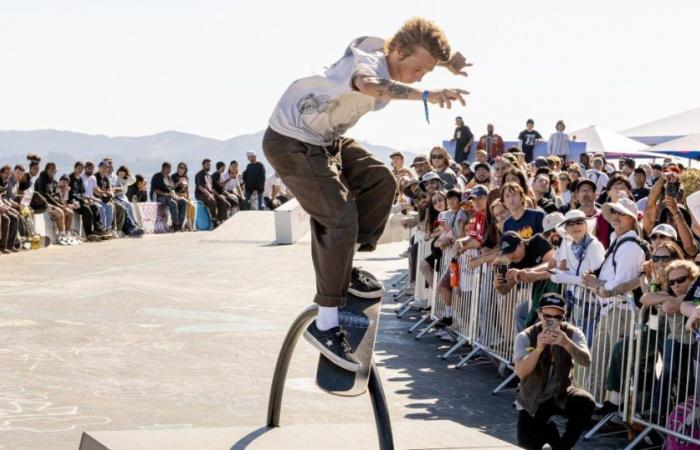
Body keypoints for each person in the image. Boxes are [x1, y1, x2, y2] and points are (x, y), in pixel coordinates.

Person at [263, 17, 470, 370]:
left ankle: (344, 265)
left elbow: (420, 46)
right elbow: (370, 85)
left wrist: (448, 63)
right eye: (418, 68)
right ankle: (326, 324)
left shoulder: (387, 46)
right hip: (291, 143)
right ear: (400, 52)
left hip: (327, 139)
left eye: (426, 72)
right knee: (339, 218)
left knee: (382, 181)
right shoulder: (369, 64)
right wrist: (425, 96)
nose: (420, 76)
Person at [514, 293, 595, 450]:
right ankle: (549, 431)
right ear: (539, 314)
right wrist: (538, 349)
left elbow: (586, 361)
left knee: (586, 402)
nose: (552, 321)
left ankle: (562, 447)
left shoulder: (572, 333)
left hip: (560, 393)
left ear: (563, 317)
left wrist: (566, 343)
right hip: (534, 398)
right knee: (527, 442)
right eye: (547, 316)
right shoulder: (526, 336)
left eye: (557, 317)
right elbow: (521, 372)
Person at [151, 162, 188, 232]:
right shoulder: (156, 176)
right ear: (164, 168)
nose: (170, 171)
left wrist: (174, 195)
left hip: (170, 196)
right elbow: (155, 190)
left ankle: (180, 224)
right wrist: (165, 194)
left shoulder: (168, 177)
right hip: (160, 197)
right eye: (168, 169)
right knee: (172, 203)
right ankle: (175, 224)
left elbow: (172, 188)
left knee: (183, 202)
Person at [195, 159, 229, 225]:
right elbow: (201, 187)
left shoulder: (209, 175)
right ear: (203, 165)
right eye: (207, 164)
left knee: (223, 201)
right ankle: (214, 219)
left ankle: (221, 219)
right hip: (201, 194)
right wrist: (209, 195)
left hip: (210, 193)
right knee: (212, 200)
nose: (209, 166)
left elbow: (212, 188)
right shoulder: (200, 174)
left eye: (210, 165)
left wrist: (218, 195)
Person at [171, 162, 197, 230]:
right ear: (178, 168)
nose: (182, 169)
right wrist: (179, 181)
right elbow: (172, 187)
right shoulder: (173, 176)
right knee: (188, 205)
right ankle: (188, 224)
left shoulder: (186, 177)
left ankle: (192, 224)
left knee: (193, 206)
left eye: (183, 168)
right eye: (180, 168)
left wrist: (188, 196)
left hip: (185, 195)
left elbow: (187, 188)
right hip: (177, 194)